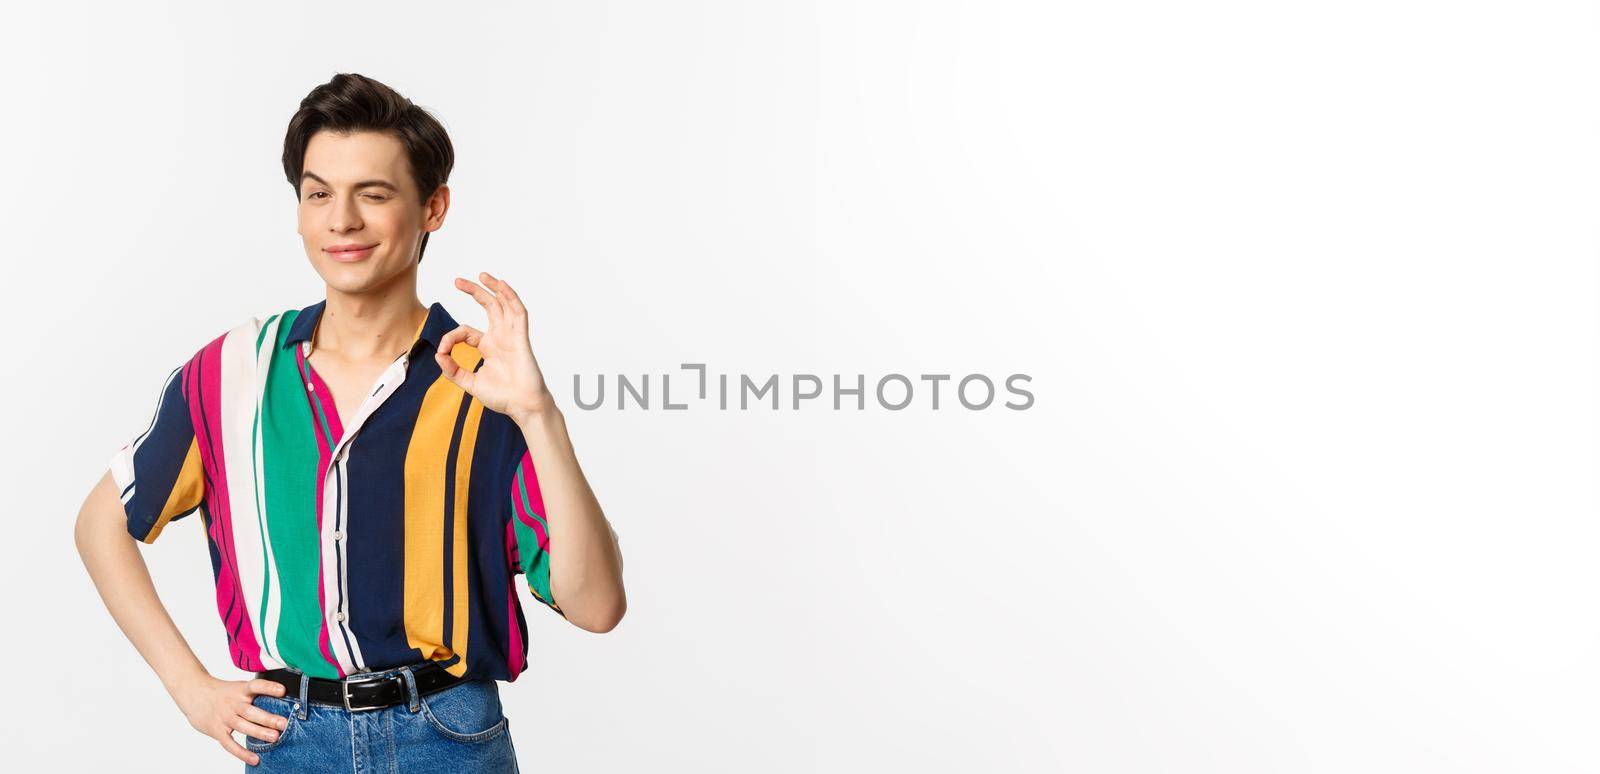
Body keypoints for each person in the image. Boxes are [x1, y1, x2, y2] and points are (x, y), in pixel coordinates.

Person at [73, 73, 627, 772]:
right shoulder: (231, 372)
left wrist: (539, 415)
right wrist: (189, 687)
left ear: (432, 207)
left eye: (374, 193)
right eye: (318, 193)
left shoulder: (487, 384)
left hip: (449, 738)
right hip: (288, 739)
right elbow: (101, 523)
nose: (342, 221)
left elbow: (597, 606)